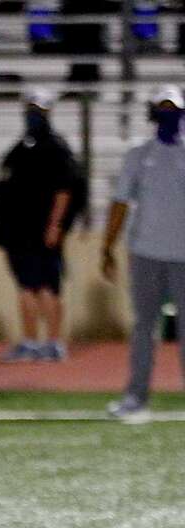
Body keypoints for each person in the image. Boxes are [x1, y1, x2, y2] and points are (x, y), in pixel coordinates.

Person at [102, 84, 185, 421]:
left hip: (184, 256)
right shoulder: (138, 154)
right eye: (162, 108)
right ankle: (136, 395)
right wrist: (107, 244)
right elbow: (121, 201)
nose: (168, 115)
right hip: (146, 252)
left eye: (173, 108)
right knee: (143, 328)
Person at [0, 89, 81, 362]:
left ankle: (53, 342)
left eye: (39, 111)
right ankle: (31, 341)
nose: (33, 116)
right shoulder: (21, 148)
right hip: (19, 232)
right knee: (26, 287)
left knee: (48, 287)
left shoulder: (56, 148)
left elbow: (65, 190)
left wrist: (55, 226)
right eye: (30, 110)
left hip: (42, 232)